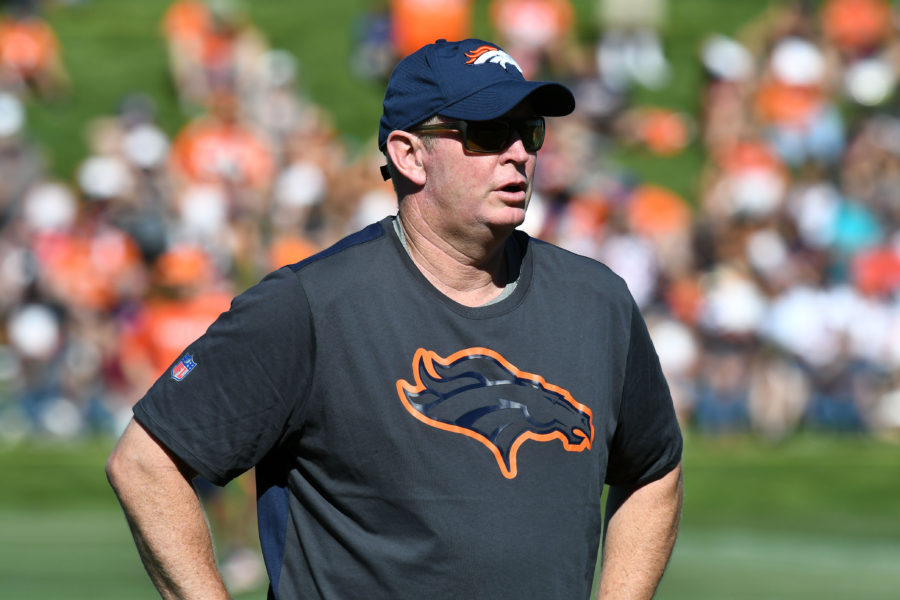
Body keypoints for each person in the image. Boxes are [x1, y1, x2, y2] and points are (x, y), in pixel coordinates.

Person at [106, 38, 683, 599]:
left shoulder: (597, 301)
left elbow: (655, 468)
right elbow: (145, 464)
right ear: (409, 154)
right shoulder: (308, 305)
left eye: (529, 132)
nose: (520, 153)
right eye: (487, 133)